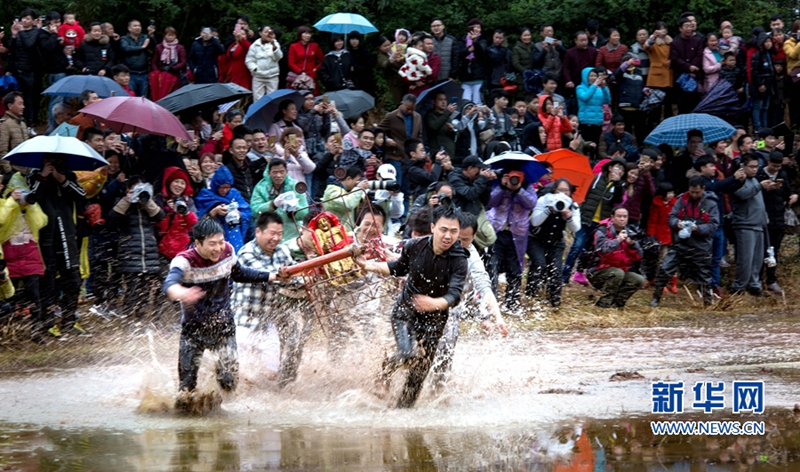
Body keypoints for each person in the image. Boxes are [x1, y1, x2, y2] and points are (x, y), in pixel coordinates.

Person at [356, 204, 467, 408]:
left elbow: (455, 295)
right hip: (405, 312)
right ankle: (385, 371)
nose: (448, 236)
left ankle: (402, 414)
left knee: (417, 377)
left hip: (435, 319)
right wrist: (368, 265)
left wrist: (434, 303)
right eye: (443, 229)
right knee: (408, 354)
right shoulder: (414, 245)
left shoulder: (459, 259)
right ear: (433, 227)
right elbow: (398, 267)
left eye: (453, 231)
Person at [164, 218, 285, 405]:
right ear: (198, 244)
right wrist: (181, 292)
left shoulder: (227, 251)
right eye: (212, 244)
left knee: (228, 382)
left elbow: (240, 273)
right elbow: (170, 284)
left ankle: (216, 410)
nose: (218, 248)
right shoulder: (184, 261)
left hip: (223, 328)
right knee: (186, 388)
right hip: (192, 331)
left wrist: (273, 276)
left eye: (220, 242)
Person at [231, 211, 310, 388]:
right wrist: (289, 277)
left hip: (267, 323)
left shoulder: (282, 251)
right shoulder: (246, 253)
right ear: (258, 231)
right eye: (272, 233)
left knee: (270, 375)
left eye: (280, 234)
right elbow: (264, 275)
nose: (276, 238)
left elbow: (294, 275)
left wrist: (306, 280)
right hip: (243, 322)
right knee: (243, 377)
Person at [431, 211, 507, 391]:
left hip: (450, 310)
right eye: (456, 237)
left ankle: (437, 392)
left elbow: (483, 288)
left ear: (473, 238)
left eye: (464, 240)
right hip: (424, 301)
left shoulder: (471, 257)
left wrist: (496, 317)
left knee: (445, 350)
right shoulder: (438, 241)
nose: (458, 243)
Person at [28, 154, 87, 337]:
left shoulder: (68, 175)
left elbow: (81, 195)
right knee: (48, 281)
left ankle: (69, 321)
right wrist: (43, 176)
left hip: (67, 235)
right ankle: (47, 323)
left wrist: (62, 180)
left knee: (73, 279)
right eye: (49, 159)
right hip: (46, 236)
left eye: (57, 160)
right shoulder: (35, 175)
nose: (53, 163)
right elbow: (31, 198)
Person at [650, 176, 720, 306]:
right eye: (692, 192)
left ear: (703, 189)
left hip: (701, 244)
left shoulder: (711, 203)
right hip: (680, 243)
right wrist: (677, 224)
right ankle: (656, 297)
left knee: (704, 274)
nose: (694, 195)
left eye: (697, 192)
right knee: (665, 268)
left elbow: (714, 225)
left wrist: (698, 228)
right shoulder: (682, 200)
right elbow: (671, 217)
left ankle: (708, 302)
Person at [108, 175, 165, 317]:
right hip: (130, 253)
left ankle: (140, 317)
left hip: (149, 253)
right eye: (135, 189)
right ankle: (128, 318)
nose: (138, 192)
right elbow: (112, 218)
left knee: (145, 289)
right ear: (128, 189)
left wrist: (147, 202)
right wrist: (127, 200)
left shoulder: (149, 202)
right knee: (132, 288)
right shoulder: (122, 202)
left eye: (141, 188)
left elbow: (160, 216)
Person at [0, 173, 48, 340]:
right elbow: (1, 219)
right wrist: (12, 202)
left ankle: (36, 330)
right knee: (9, 295)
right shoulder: (4, 204)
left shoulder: (30, 209)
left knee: (34, 295)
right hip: (9, 256)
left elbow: (41, 221)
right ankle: (7, 331)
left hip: (30, 255)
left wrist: (30, 205)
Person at [562, 158, 625, 284]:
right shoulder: (596, 179)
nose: (619, 172)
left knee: (590, 250)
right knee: (577, 246)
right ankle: (564, 276)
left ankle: (580, 273)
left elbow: (618, 200)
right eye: (618, 168)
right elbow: (583, 194)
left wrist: (617, 183)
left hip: (601, 224)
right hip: (586, 219)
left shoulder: (619, 186)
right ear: (610, 168)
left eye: (622, 170)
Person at [487, 169, 537, 312]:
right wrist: (502, 187)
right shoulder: (497, 184)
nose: (514, 178)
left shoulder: (527, 186)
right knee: (492, 267)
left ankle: (512, 303)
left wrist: (519, 190)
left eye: (517, 176)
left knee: (515, 269)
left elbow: (532, 204)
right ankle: (490, 304)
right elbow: (489, 202)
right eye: (511, 175)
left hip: (517, 234)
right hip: (497, 231)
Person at [528, 178, 580, 307]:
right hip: (537, 238)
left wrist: (569, 217)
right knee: (539, 264)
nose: (563, 193)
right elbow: (535, 222)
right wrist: (549, 210)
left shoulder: (573, 205)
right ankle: (530, 295)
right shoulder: (544, 200)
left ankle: (554, 301)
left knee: (556, 270)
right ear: (554, 190)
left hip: (556, 240)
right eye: (560, 190)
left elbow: (576, 228)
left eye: (566, 190)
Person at [586, 207, 644, 308]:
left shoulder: (629, 232)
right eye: (619, 216)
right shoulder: (602, 231)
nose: (622, 219)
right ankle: (604, 303)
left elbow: (639, 256)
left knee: (639, 280)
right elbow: (601, 250)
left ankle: (617, 302)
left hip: (620, 271)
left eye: (625, 216)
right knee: (617, 273)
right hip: (597, 271)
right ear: (612, 217)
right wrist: (617, 241)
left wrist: (632, 244)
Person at [756, 152, 797, 293]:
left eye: (778, 167)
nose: (776, 169)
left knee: (774, 251)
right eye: (774, 166)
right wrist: (764, 189)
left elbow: (787, 191)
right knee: (760, 251)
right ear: (768, 161)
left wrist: (792, 196)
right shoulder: (759, 175)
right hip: (763, 217)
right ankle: (757, 279)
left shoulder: (782, 174)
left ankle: (771, 279)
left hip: (778, 217)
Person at [250, 158, 310, 243]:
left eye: (281, 172)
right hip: (268, 232)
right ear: (269, 172)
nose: (278, 175)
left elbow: (305, 212)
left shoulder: (295, 186)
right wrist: (272, 204)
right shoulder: (260, 187)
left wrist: (294, 208)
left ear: (286, 171)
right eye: (275, 172)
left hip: (293, 235)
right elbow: (255, 210)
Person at [194, 166, 252, 253]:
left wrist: (239, 214)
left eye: (227, 187)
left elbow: (247, 212)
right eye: (222, 187)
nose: (224, 190)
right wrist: (214, 212)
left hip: (234, 234)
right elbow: (198, 222)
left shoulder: (234, 194)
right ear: (216, 185)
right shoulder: (205, 196)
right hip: (213, 235)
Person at [7, 9, 44, 127]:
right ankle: (15, 123)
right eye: (23, 18)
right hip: (16, 69)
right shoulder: (18, 32)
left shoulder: (36, 32)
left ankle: (30, 124)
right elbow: (11, 50)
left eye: (28, 18)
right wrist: (14, 35)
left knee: (29, 99)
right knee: (15, 97)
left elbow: (29, 45)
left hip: (30, 71)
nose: (24, 20)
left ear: (33, 21)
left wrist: (21, 32)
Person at [155, 166, 199, 261]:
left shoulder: (188, 201)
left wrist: (186, 212)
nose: (179, 185)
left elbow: (195, 225)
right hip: (162, 252)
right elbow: (157, 226)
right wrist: (167, 211)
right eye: (176, 181)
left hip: (183, 251)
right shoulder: (159, 200)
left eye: (183, 183)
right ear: (169, 182)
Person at [671, 17, 704, 113]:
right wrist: (688, 67)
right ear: (680, 29)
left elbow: (699, 55)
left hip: (695, 77)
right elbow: (675, 59)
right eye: (686, 26)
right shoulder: (675, 43)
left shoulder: (697, 41)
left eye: (690, 26)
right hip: (681, 79)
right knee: (682, 107)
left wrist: (693, 68)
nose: (689, 29)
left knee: (696, 107)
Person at [563, 32, 598, 113]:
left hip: (591, 83)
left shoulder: (593, 51)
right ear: (575, 40)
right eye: (581, 40)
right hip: (575, 83)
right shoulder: (569, 52)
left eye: (585, 40)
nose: (584, 42)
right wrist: (568, 80)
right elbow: (565, 68)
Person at [576, 67, 611, 150]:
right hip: (585, 122)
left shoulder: (599, 89)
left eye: (595, 76)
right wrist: (595, 85)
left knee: (595, 147)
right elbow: (585, 97)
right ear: (585, 77)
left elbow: (607, 100)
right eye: (591, 76)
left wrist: (604, 87)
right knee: (585, 147)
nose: (593, 78)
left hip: (597, 122)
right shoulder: (580, 88)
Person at [645, 22, 674, 119]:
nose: (663, 32)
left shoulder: (670, 42)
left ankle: (668, 124)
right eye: (660, 29)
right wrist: (653, 36)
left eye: (664, 29)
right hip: (656, 78)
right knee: (655, 106)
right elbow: (646, 46)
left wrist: (672, 60)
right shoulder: (653, 42)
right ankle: (654, 125)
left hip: (668, 76)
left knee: (668, 106)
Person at [119, 19, 156, 96]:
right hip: (130, 73)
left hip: (143, 73)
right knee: (130, 97)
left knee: (143, 97)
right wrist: (142, 47)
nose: (137, 27)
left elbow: (154, 46)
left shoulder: (144, 37)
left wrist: (151, 35)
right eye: (135, 26)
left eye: (139, 26)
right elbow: (126, 48)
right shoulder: (124, 39)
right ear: (129, 28)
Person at [149, 27, 187, 101]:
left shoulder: (180, 48)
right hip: (161, 75)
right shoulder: (159, 47)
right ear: (164, 35)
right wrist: (157, 73)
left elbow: (183, 62)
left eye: (172, 35)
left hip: (175, 75)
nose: (170, 37)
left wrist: (172, 68)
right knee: (161, 96)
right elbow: (153, 62)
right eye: (169, 35)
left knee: (175, 96)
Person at [458, 19, 488, 106]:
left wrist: (475, 42)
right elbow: (460, 54)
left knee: (477, 103)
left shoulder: (482, 40)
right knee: (465, 103)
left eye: (478, 27)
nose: (476, 29)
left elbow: (481, 53)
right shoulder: (463, 40)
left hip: (478, 76)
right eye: (474, 27)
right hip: (465, 76)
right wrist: (470, 49)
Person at [751, 32, 775, 131]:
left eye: (770, 41)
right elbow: (755, 71)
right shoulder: (757, 55)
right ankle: (757, 128)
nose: (768, 44)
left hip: (769, 84)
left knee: (765, 107)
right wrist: (759, 84)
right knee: (758, 107)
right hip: (760, 85)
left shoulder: (770, 54)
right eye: (766, 42)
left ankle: (764, 128)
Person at [425, 91, 459, 158]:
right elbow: (434, 126)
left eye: (445, 99)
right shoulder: (430, 115)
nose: (443, 102)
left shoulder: (448, 116)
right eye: (440, 100)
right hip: (438, 153)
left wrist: (452, 130)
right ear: (433, 101)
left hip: (450, 153)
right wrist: (447, 112)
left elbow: (456, 135)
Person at [219, 22, 252, 90]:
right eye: (239, 33)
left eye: (243, 34)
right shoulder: (231, 45)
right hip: (230, 75)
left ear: (246, 36)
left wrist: (241, 39)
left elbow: (248, 48)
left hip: (242, 75)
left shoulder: (248, 44)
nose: (240, 35)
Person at [0, 92, 28, 170]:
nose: (23, 107)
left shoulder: (22, 123)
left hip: (25, 170)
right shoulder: (5, 124)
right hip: (14, 171)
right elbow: (2, 150)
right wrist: (8, 171)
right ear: (10, 106)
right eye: (20, 104)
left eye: (23, 104)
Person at [377, 36, 405, 106]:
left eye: (389, 45)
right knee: (400, 103)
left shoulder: (394, 50)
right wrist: (392, 58)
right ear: (379, 47)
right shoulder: (381, 56)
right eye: (384, 46)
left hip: (404, 80)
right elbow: (384, 64)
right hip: (395, 83)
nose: (387, 47)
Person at [348, 30, 375, 96]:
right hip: (352, 82)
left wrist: (355, 68)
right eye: (352, 39)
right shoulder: (348, 53)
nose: (354, 41)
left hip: (365, 81)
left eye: (356, 39)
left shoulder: (365, 52)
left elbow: (369, 66)